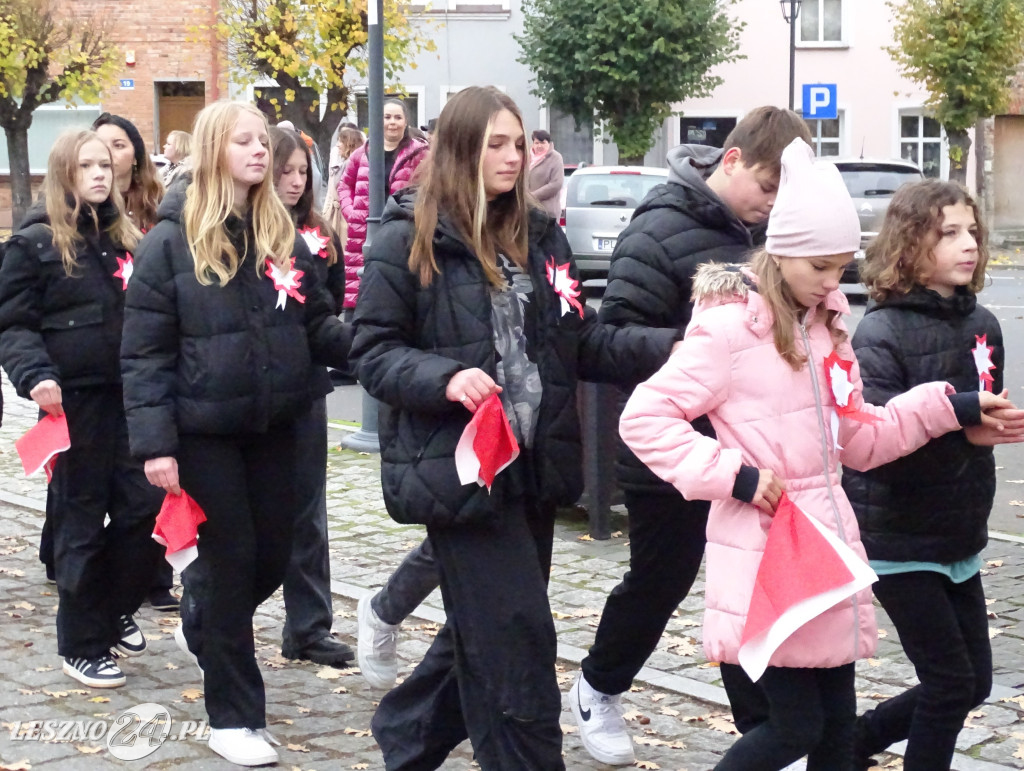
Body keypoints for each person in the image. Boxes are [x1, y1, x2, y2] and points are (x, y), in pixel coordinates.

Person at [617, 138, 1020, 770]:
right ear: (782, 254)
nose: (835, 283)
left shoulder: (824, 327)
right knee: (795, 727)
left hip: (827, 549)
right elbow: (644, 418)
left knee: (834, 732)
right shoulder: (726, 328)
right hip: (767, 553)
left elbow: (861, 439)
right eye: (821, 268)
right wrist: (737, 477)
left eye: (841, 267)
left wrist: (951, 408)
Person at [349, 85, 681, 770]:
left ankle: (407, 736)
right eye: (495, 143)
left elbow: (579, 342)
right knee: (521, 639)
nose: (513, 156)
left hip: (529, 469)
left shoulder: (540, 233)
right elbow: (373, 350)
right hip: (459, 469)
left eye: (519, 141)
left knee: (479, 634)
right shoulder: (407, 233)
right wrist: (443, 377)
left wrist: (675, 346)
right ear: (462, 149)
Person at [572, 105, 811, 765]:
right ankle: (598, 684)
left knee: (747, 588)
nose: (771, 205)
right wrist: (689, 348)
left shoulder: (771, 236)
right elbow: (600, 343)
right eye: (766, 187)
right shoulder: (658, 229)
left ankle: (763, 729)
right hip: (674, 451)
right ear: (729, 161)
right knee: (661, 579)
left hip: (751, 454)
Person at [120, 101, 354, 767]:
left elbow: (318, 326)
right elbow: (144, 354)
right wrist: (156, 445)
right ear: (216, 149)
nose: (263, 153)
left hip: (276, 425)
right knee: (230, 563)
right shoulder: (171, 243)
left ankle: (204, 620)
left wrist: (377, 341)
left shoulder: (285, 238)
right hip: (204, 433)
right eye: (246, 142)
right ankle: (234, 712)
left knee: (273, 557)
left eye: (264, 141)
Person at [842, 180, 1024, 770]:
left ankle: (850, 743)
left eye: (972, 231)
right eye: (948, 233)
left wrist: (984, 428)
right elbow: (876, 441)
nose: (967, 244)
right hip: (898, 537)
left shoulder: (983, 323)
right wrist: (962, 425)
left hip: (958, 531)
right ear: (909, 243)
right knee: (948, 683)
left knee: (970, 684)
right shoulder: (880, 333)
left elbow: (977, 410)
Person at [0, 130, 164, 688]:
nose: (99, 174)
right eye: (85, 165)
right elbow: (13, 324)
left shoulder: (128, 240)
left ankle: (110, 606)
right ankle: (82, 641)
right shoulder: (33, 245)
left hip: (131, 396)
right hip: (75, 405)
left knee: (145, 509)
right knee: (81, 520)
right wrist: (36, 375)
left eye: (105, 164)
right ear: (63, 172)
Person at [269, 125, 352, 668]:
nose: (296, 182)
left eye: (303, 172)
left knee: (307, 513)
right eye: (286, 171)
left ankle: (308, 625)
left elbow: (330, 305)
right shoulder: (246, 233)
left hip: (305, 388)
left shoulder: (318, 233)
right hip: (251, 390)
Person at [91, 111, 176, 612]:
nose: (109, 159)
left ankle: (154, 572)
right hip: (99, 364)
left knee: (146, 477)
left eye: (119, 147)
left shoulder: (156, 212)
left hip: (145, 353)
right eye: (99, 150)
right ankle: (79, 563)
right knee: (92, 484)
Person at [338, 98, 427, 311]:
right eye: (387, 117)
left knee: (397, 291)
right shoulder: (362, 153)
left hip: (403, 232)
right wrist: (352, 213)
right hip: (363, 233)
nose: (392, 122)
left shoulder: (420, 154)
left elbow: (431, 188)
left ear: (406, 122)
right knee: (363, 291)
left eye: (398, 117)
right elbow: (344, 185)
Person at [92, 113, 164, 231]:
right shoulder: (83, 208)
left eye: (118, 145)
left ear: (135, 156)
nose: (108, 152)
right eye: (100, 145)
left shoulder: (156, 202)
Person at [323, 126, 365, 241]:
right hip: (338, 215)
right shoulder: (345, 164)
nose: (338, 145)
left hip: (346, 219)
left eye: (341, 141)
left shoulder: (352, 166)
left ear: (349, 144)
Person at [527, 129, 564, 218]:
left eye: (542, 143)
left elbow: (556, 184)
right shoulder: (527, 157)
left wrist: (532, 197)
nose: (539, 146)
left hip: (547, 213)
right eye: (536, 143)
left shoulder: (555, 158)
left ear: (549, 143)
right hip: (528, 210)